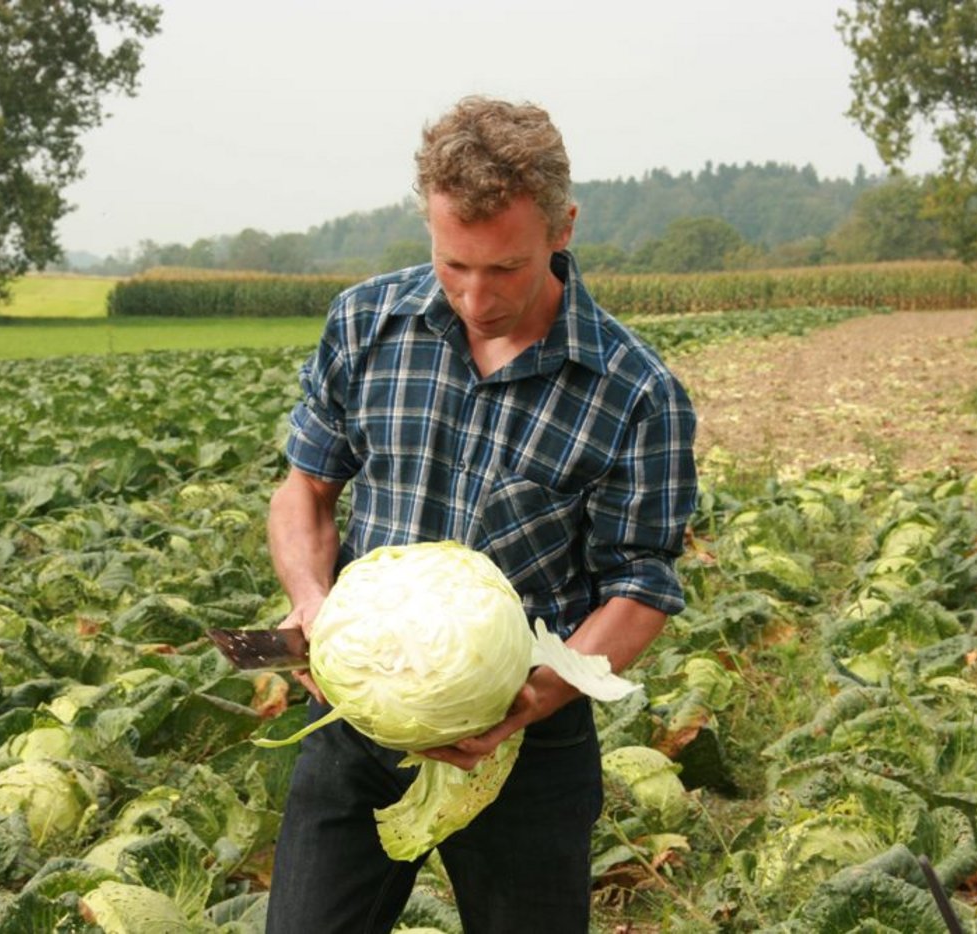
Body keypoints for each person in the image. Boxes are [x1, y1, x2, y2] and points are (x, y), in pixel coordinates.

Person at [263, 95, 698, 933]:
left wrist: (529, 701)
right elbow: (306, 489)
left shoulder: (636, 392)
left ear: (563, 227)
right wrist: (314, 604)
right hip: (359, 723)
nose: (473, 295)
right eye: (452, 263)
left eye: (504, 269)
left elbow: (641, 584)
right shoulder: (365, 324)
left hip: (528, 741)